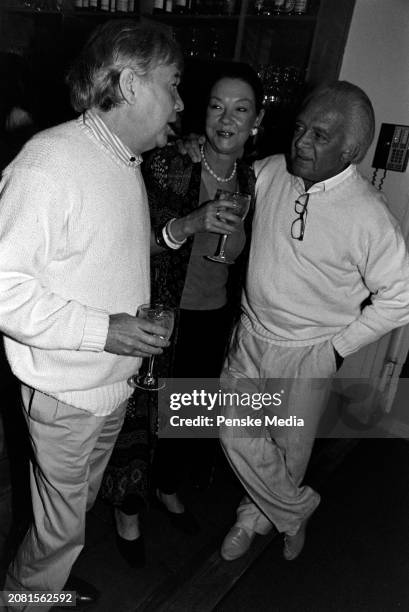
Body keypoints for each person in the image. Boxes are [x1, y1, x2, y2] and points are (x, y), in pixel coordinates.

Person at [0, 19, 186, 609]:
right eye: (174, 84)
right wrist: (107, 330)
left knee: (73, 513)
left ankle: (45, 580)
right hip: (66, 392)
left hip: (108, 386)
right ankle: (26, 597)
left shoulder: (122, 160)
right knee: (61, 532)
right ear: (131, 83)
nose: (181, 102)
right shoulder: (48, 163)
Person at [218, 81, 409, 563]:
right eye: (300, 129)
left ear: (352, 149)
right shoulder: (270, 172)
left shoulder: (370, 216)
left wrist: (337, 349)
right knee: (231, 429)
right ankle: (295, 509)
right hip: (251, 333)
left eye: (319, 136)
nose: (301, 143)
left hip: (309, 351)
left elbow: (401, 296)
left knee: (288, 450)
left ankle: (253, 516)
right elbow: (228, 171)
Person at [102, 62, 265, 566]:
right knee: (138, 418)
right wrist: (190, 222)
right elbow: (130, 244)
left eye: (240, 110)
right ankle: (127, 510)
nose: (226, 119)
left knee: (184, 416)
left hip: (212, 317)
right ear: (202, 112)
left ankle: (168, 488)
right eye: (217, 105)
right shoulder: (168, 163)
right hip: (157, 312)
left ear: (255, 121)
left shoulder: (251, 178)